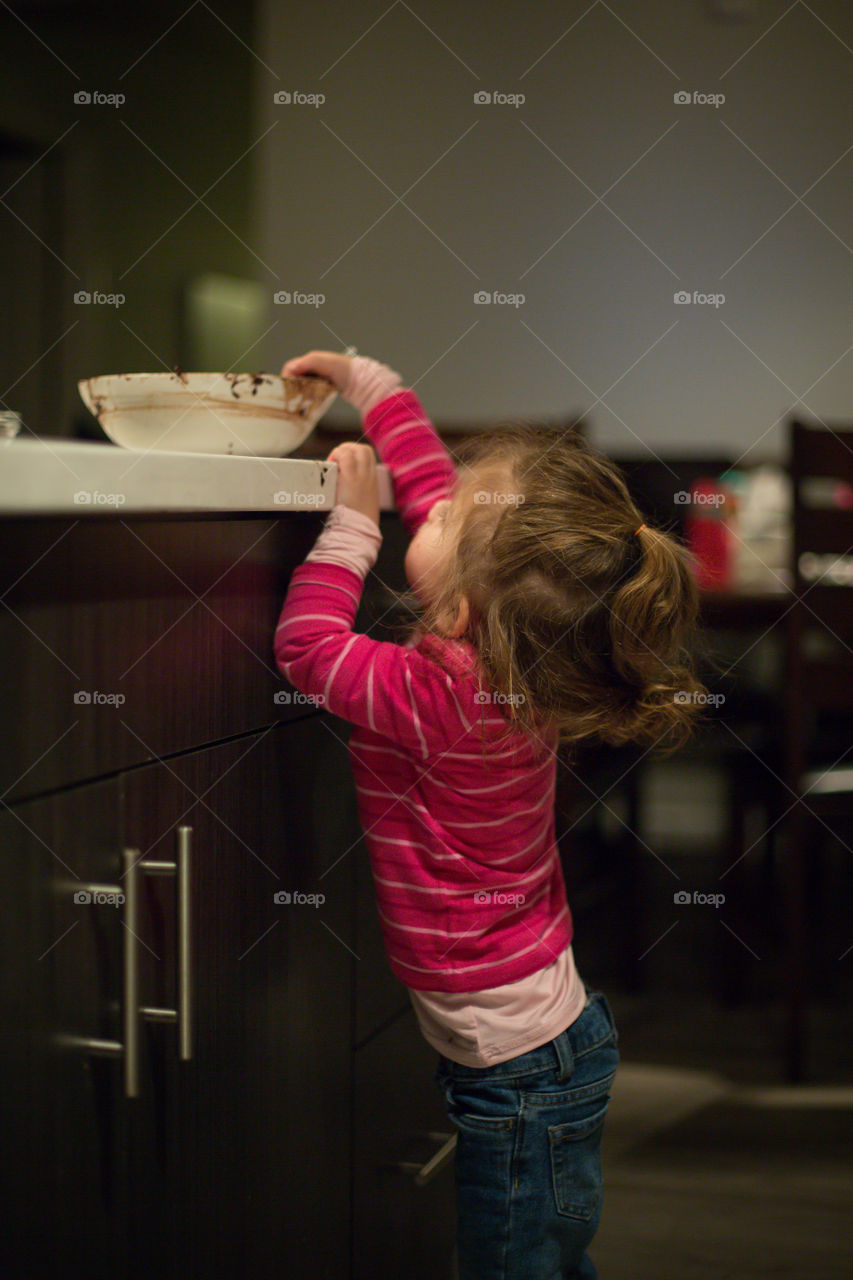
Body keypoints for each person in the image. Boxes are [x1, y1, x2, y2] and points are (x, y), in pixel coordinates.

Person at [274, 351, 705, 1280]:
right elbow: (440, 486)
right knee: (548, 1260)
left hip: (516, 1077)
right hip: (544, 1050)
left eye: (437, 520)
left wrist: (351, 528)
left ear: (462, 607)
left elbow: (306, 649)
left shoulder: (447, 697)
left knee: (512, 1270)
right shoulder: (518, 661)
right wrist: (371, 385)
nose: (424, 506)